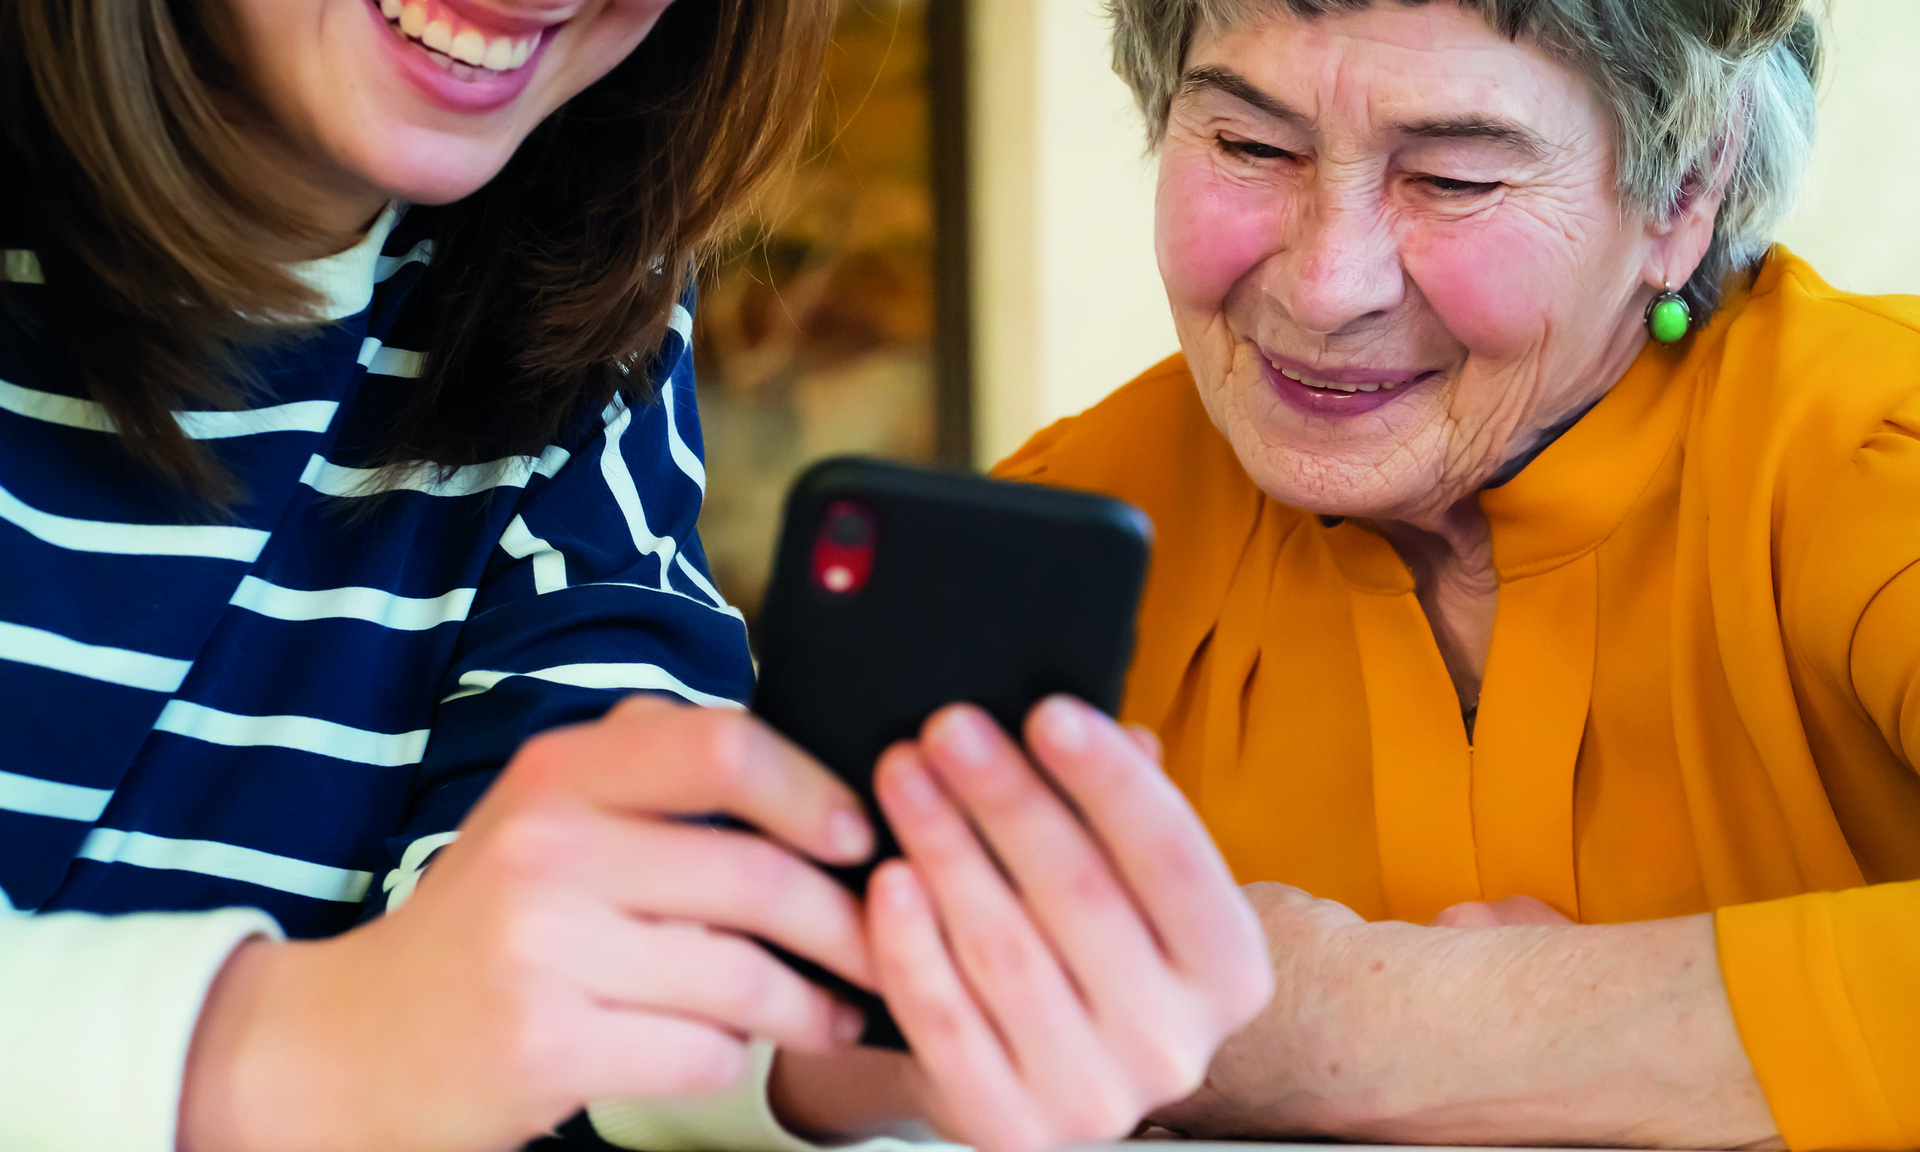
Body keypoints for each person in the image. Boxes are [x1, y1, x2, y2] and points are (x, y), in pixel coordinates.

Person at [0, 0, 1272, 1145]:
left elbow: (563, 946)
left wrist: (858, 1037)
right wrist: (267, 1053)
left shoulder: (580, 313)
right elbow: (417, 1026)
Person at [721, 0, 1915, 1148]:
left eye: (1455, 178)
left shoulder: (1870, 451)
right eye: (1249, 146)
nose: (1325, 287)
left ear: (1687, 188)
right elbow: (811, 1052)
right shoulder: (1072, 527)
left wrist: (1348, 1025)